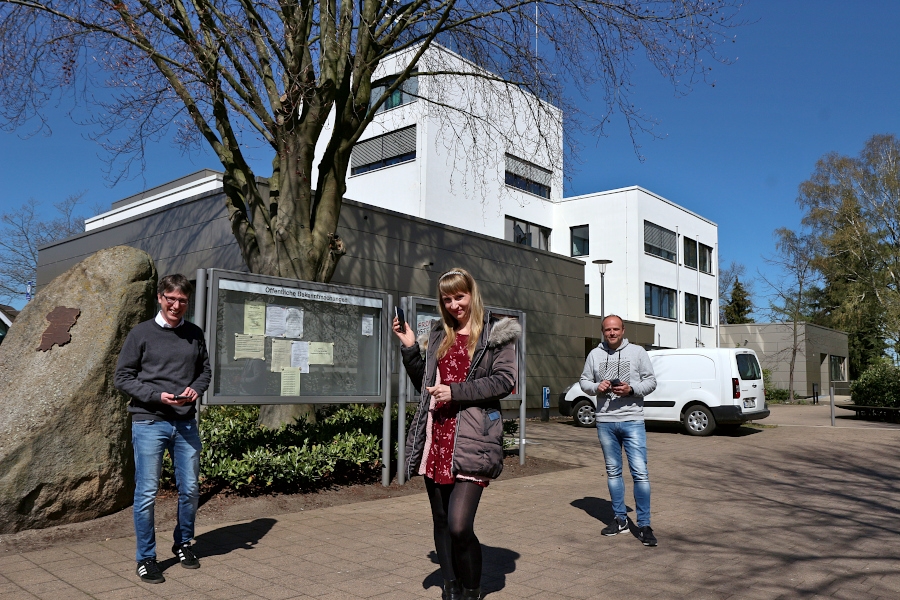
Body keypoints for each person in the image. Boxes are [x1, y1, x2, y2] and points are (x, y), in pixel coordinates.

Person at [393, 268, 520, 600]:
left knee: (460, 525)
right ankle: (451, 587)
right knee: (441, 519)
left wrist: (456, 391)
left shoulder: (496, 332)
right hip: (437, 433)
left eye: (459, 296)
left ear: (472, 293)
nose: (454, 305)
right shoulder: (439, 333)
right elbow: (427, 384)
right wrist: (409, 349)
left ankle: (473, 589)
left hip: (473, 437)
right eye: (447, 299)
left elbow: (505, 381)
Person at [115, 274, 211, 584]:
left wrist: (195, 388)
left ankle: (183, 543)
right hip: (149, 420)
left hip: (184, 422)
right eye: (171, 298)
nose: (176, 305)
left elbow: (205, 370)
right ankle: (146, 558)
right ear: (160, 298)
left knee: (191, 489)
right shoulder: (141, 333)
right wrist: (157, 396)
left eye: (183, 300)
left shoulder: (194, 333)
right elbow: (123, 378)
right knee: (145, 493)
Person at [579, 315, 658, 547]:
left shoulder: (638, 352)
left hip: (632, 420)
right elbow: (584, 381)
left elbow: (651, 382)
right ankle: (620, 519)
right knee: (613, 472)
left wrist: (631, 389)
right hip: (605, 421)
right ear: (602, 331)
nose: (611, 333)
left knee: (640, 473)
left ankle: (644, 524)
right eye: (607, 330)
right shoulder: (594, 354)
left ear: (623, 330)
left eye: (615, 329)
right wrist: (597, 386)